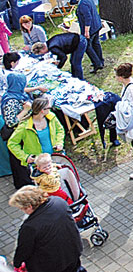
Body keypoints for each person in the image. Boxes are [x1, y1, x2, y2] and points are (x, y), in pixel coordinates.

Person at [9, 186, 83, 272]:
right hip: (73, 252)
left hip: (52, 265)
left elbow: (23, 250)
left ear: (29, 206)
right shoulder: (58, 202)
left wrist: (16, 263)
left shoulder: (30, 227)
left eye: (21, 208)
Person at [2, 53, 47, 188]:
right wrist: (25, 111)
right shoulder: (10, 101)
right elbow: (11, 122)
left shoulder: (16, 93)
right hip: (17, 135)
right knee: (20, 163)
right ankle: (25, 185)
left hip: (23, 133)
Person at [8, 97, 65, 173]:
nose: (50, 109)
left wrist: (59, 143)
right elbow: (12, 143)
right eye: (49, 108)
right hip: (39, 165)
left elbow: (60, 130)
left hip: (54, 157)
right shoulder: (24, 126)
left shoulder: (51, 117)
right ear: (42, 110)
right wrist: (25, 157)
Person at [70, 0, 104, 73]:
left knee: (87, 46)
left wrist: (86, 31)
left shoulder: (83, 4)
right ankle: (100, 60)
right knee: (96, 43)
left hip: (91, 28)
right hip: (96, 25)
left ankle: (97, 63)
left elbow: (88, 18)